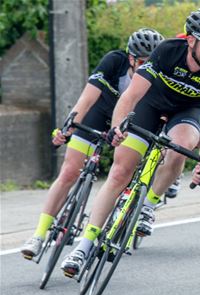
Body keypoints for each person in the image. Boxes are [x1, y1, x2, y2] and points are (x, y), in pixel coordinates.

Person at [60, 8, 200, 277]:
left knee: (183, 146)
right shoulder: (167, 51)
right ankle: (84, 245)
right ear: (191, 41)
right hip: (150, 105)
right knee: (119, 172)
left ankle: (149, 204)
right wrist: (118, 126)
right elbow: (130, 97)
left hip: (187, 112)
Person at [20, 28, 165, 259]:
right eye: (142, 62)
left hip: (130, 123)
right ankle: (38, 235)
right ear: (130, 58)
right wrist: (68, 128)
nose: (147, 68)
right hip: (100, 114)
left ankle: (108, 228)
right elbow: (87, 98)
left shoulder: (159, 75)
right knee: (69, 171)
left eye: (152, 63)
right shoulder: (113, 61)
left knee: (122, 175)